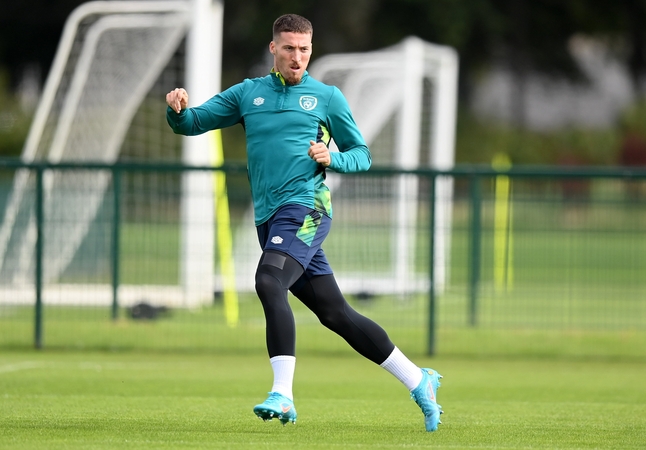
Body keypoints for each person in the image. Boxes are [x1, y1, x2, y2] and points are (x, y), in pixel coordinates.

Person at [165, 13, 443, 432]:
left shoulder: (326, 97)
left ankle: (283, 394)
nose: (297, 57)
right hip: (270, 218)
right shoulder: (248, 93)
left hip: (307, 209)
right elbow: (193, 123)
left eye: (305, 49)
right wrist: (178, 110)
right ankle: (418, 379)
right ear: (273, 48)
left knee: (268, 281)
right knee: (335, 313)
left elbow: (362, 155)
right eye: (290, 48)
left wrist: (334, 158)